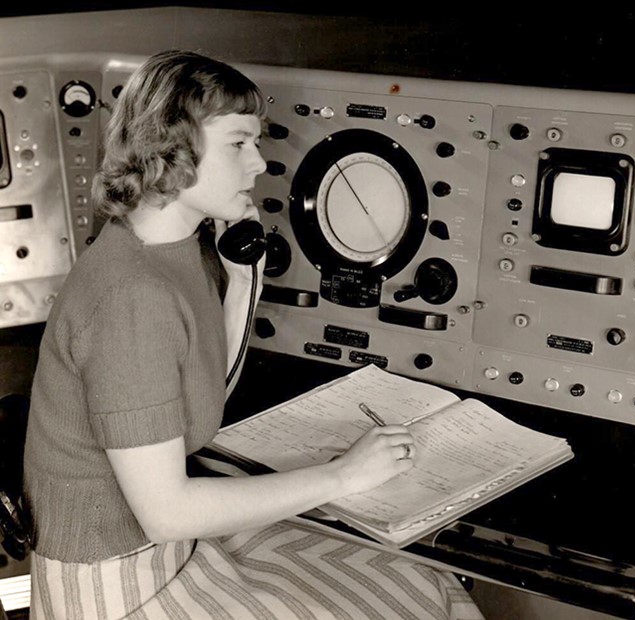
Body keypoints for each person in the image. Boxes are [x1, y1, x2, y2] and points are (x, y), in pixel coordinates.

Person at [23, 50, 483, 619]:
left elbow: (201, 398)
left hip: (171, 555)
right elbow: (168, 512)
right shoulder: (132, 298)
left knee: (420, 580)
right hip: (118, 585)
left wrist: (242, 283)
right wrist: (343, 475)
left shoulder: (173, 249)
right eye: (239, 143)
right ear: (175, 148)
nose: (260, 163)